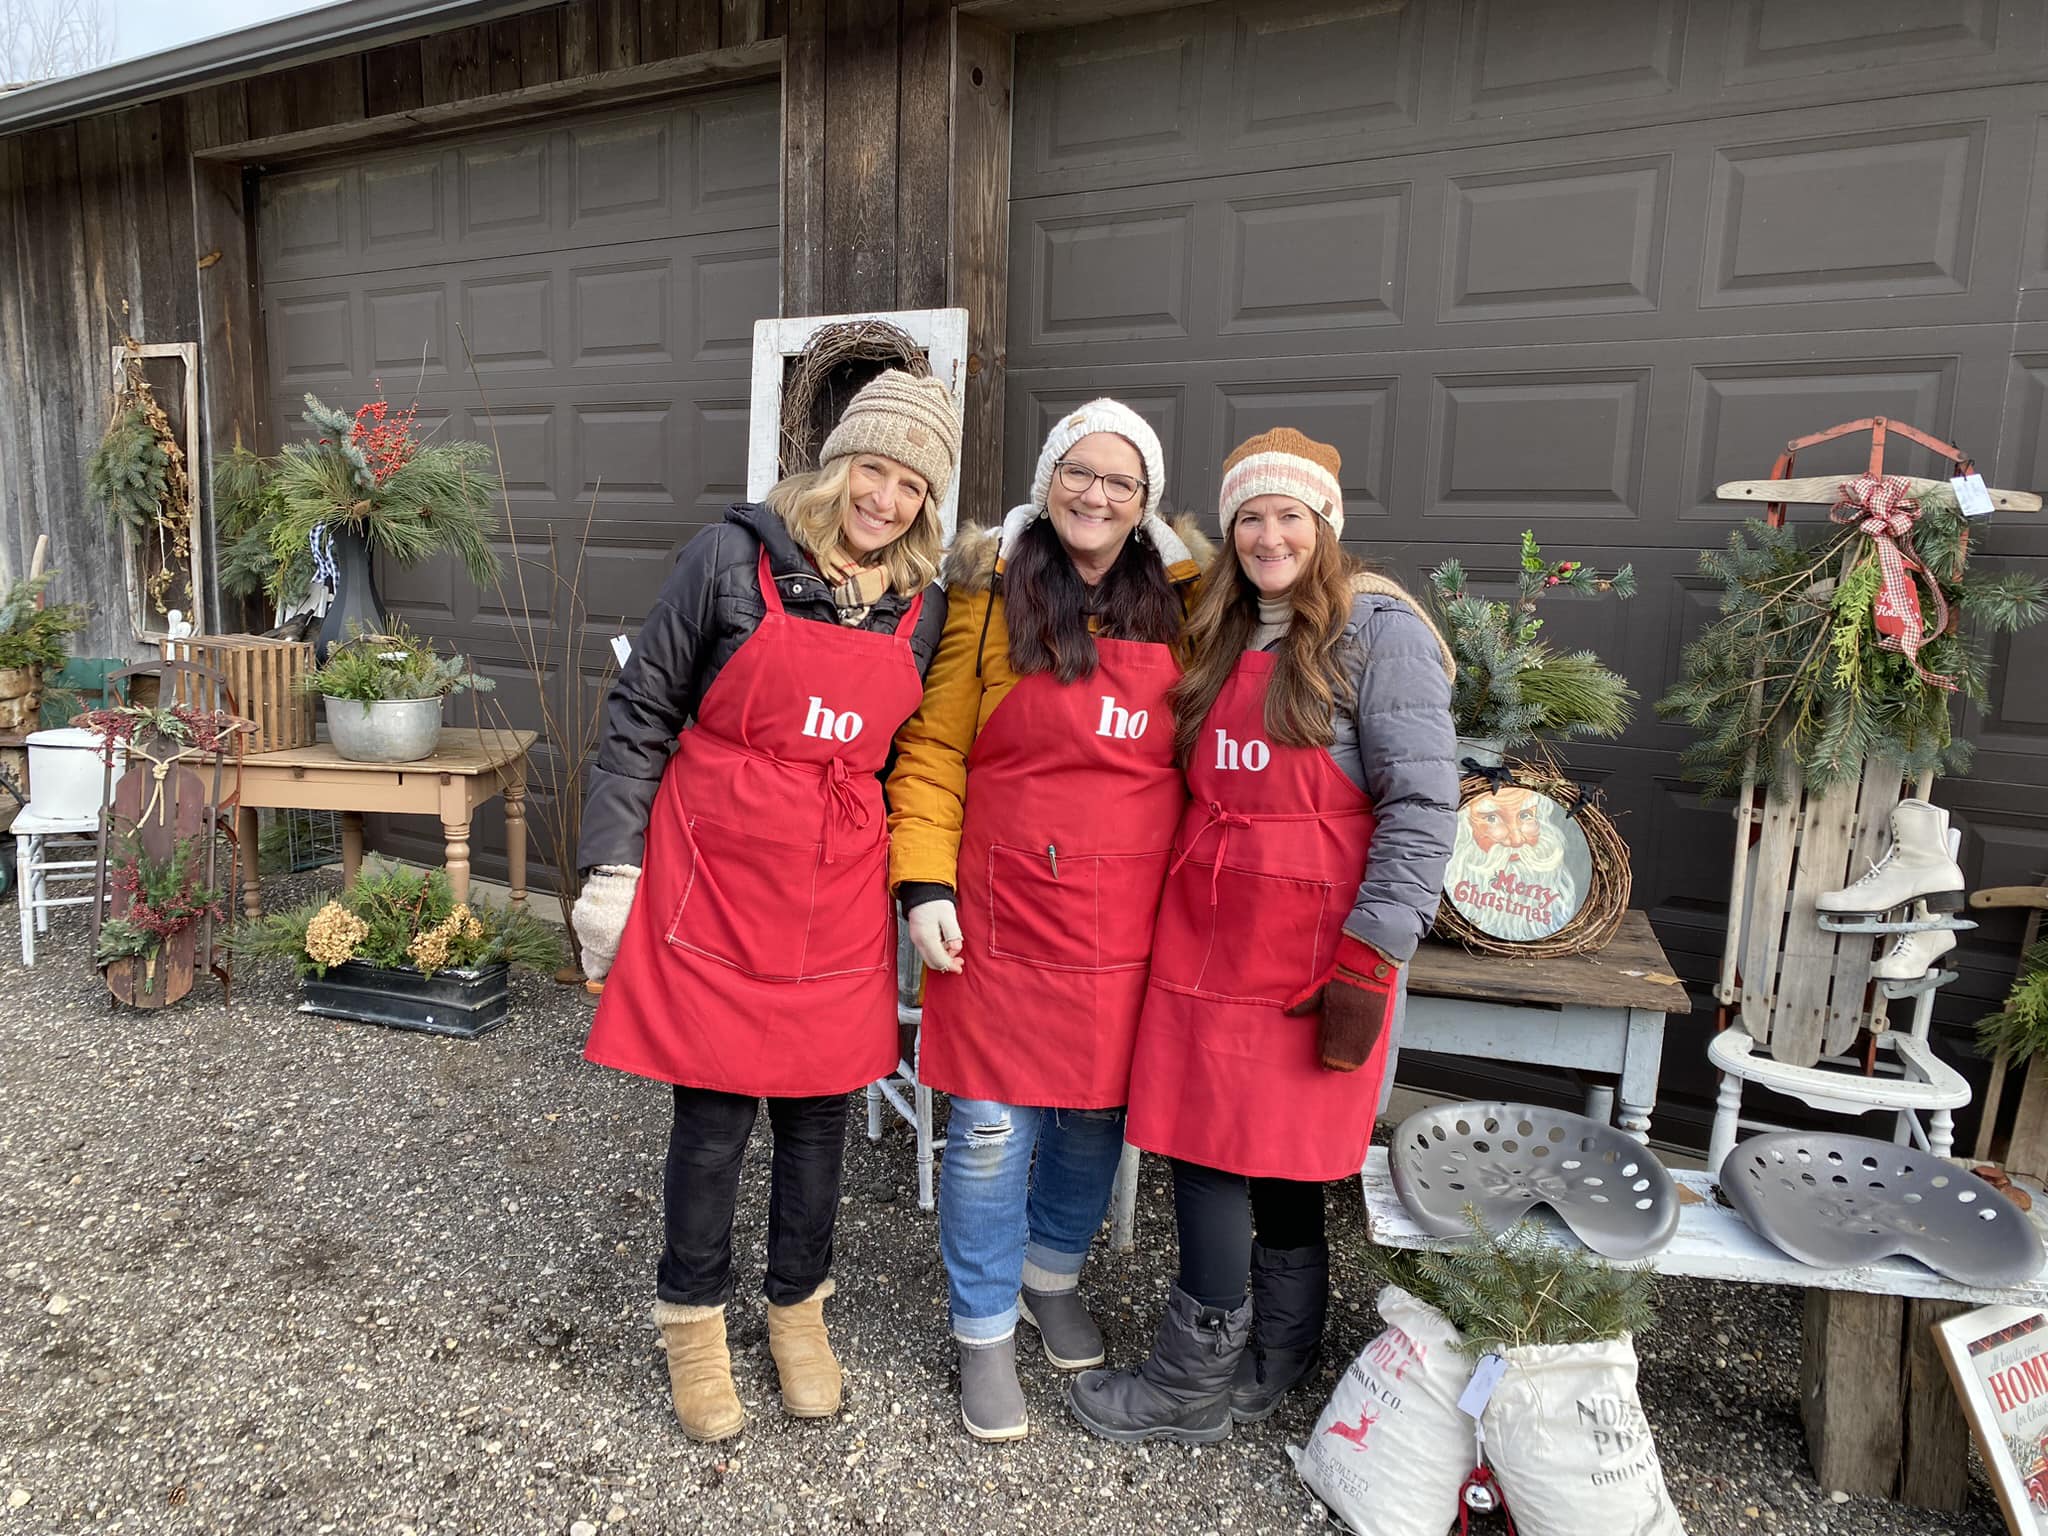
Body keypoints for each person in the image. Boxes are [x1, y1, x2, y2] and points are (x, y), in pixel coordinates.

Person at [569, 371, 957, 1442]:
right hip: (718, 868)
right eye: (871, 469)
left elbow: (914, 754)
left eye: (910, 484)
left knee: (820, 1115)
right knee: (712, 1119)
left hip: (834, 888)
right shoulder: (729, 560)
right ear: (837, 468)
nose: (884, 499)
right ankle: (692, 1321)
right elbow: (643, 710)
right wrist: (612, 866)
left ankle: (798, 1314)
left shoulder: (924, 608)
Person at [1070, 427, 1458, 1445]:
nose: (1268, 534)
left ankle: (1197, 1381)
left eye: (1290, 514)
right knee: (1214, 1146)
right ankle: (1266, 1353)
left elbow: (1421, 804)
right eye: (1249, 516)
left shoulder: (1379, 632)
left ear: (1325, 526)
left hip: (1310, 943)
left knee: (1264, 1156)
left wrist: (1373, 954)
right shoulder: (1222, 629)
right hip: (1208, 929)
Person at [886, 400, 1207, 1441]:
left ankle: (1048, 1274)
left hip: (1127, 913)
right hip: (997, 904)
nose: (1097, 495)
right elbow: (933, 749)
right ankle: (981, 1328)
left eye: (1121, 481)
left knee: (1095, 1120)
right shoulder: (984, 588)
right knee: (987, 1129)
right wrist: (922, 884)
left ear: (1144, 501)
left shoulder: (1187, 598)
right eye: (1079, 471)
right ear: (1046, 477)